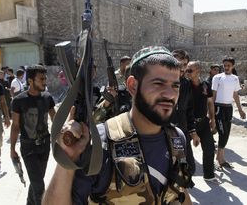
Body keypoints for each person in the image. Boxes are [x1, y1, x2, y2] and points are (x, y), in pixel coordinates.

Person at [42, 46, 193, 205]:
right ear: (133, 85)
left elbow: (180, 192)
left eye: (175, 86)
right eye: (158, 83)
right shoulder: (99, 144)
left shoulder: (176, 137)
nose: (170, 94)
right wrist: (67, 161)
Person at [11, 64, 56, 205]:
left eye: (45, 78)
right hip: (28, 148)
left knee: (37, 180)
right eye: (41, 79)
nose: (45, 82)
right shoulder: (18, 100)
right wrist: (12, 149)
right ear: (30, 81)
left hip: (44, 146)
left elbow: (55, 119)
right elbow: (16, 126)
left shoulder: (47, 97)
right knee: (39, 187)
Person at [185, 61, 219, 183]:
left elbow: (210, 102)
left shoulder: (205, 85)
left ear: (198, 71)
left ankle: (209, 175)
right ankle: (185, 178)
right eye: (186, 70)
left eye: (190, 70)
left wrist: (213, 119)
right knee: (184, 151)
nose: (187, 72)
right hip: (188, 123)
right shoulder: (185, 86)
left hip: (203, 122)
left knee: (209, 149)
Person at [212, 57, 246, 170]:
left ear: (233, 66)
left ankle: (221, 159)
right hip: (219, 108)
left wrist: (240, 110)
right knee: (222, 133)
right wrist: (211, 114)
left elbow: (235, 95)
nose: (226, 67)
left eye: (228, 65)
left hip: (229, 108)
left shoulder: (235, 79)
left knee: (226, 134)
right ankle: (219, 159)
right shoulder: (217, 78)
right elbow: (213, 95)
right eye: (225, 65)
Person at [171, 49, 199, 181]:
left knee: (189, 167)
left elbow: (188, 110)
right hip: (165, 131)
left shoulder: (186, 84)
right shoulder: (161, 83)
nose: (181, 68)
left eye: (184, 65)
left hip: (181, 130)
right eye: (177, 64)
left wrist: (193, 132)